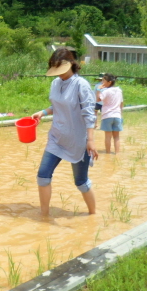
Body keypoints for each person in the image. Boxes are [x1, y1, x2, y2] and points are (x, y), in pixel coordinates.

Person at [32, 48, 98, 218]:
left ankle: (93, 215)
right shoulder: (56, 83)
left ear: (70, 64)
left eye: (60, 70)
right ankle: (44, 216)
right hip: (57, 136)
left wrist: (90, 140)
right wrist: (43, 112)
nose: (58, 74)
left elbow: (89, 112)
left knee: (81, 182)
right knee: (43, 175)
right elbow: (58, 105)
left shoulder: (80, 84)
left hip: (77, 140)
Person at [98, 73, 124, 154]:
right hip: (117, 115)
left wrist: (98, 90)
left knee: (108, 136)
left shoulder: (106, 91)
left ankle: (108, 153)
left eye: (103, 81)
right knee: (116, 137)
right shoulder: (119, 91)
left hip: (107, 116)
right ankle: (117, 153)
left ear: (109, 82)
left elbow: (98, 99)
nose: (102, 82)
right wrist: (120, 114)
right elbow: (121, 103)